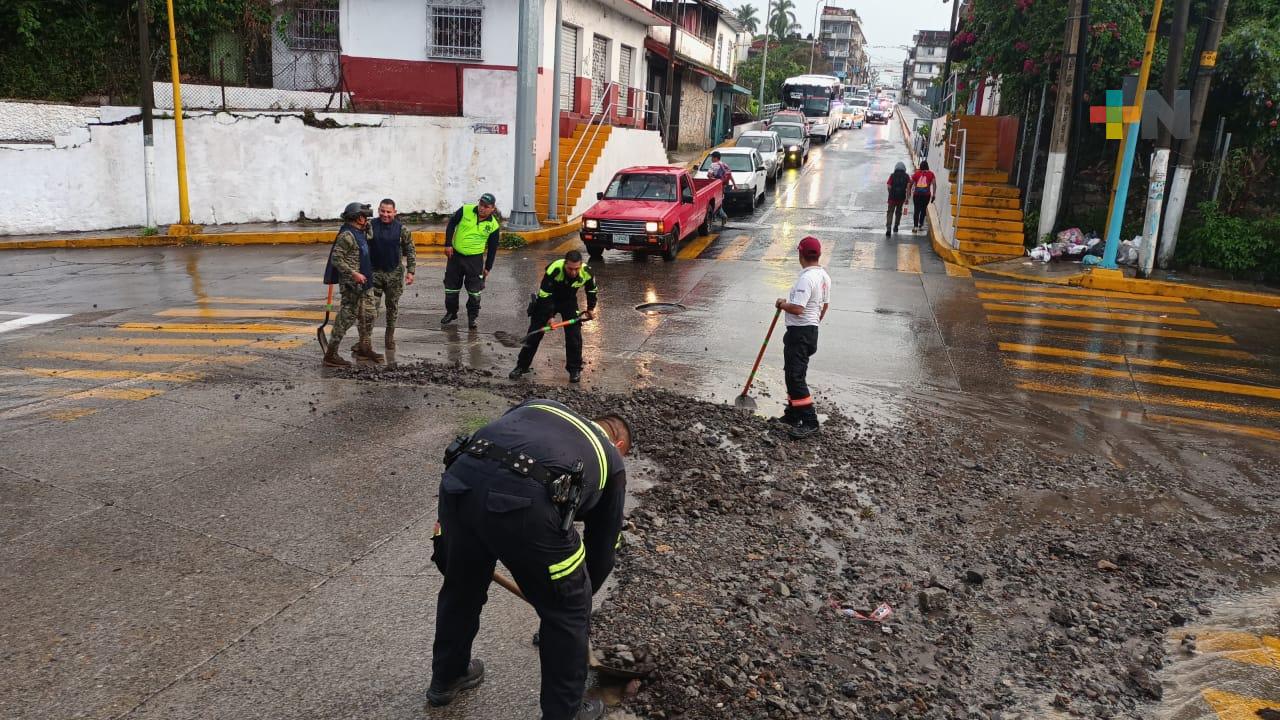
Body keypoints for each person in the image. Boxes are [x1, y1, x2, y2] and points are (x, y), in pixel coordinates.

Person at [428, 399, 633, 720]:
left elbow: (493, 461)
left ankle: (447, 677)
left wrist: (448, 555)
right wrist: (568, 607)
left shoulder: (539, 406)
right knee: (570, 609)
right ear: (619, 444)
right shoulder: (611, 459)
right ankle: (564, 713)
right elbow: (603, 549)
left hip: (459, 482)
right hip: (525, 505)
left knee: (461, 588)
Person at [509, 250, 598, 384]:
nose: (573, 272)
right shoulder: (554, 269)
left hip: (569, 300)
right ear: (564, 265)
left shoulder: (587, 272)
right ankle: (521, 366)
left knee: (574, 337)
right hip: (549, 299)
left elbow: (591, 290)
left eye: (576, 269)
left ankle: (574, 370)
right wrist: (549, 316)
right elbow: (545, 294)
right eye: (570, 269)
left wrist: (591, 308)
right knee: (534, 335)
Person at [774, 236, 831, 439]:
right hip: (810, 331)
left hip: (799, 333)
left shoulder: (806, 278)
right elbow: (824, 305)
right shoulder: (824, 276)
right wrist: (814, 323)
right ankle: (792, 414)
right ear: (819, 254)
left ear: (800, 254)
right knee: (794, 374)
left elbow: (798, 308)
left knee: (795, 377)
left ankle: (809, 421)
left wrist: (782, 304)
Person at [322, 202, 379, 367]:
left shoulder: (360, 231)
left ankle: (364, 348)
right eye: (364, 217)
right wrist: (353, 274)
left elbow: (369, 237)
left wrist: (368, 227)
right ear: (358, 218)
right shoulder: (346, 235)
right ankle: (331, 355)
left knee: (369, 315)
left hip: (366, 282)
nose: (366, 219)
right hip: (352, 285)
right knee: (346, 319)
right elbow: (336, 259)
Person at [442, 193, 501, 330]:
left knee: (475, 293)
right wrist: (448, 244)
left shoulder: (493, 226)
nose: (482, 208)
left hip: (475, 260)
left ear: (492, 208)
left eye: (486, 206)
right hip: (455, 257)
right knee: (451, 288)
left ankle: (472, 318)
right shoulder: (466, 210)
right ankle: (451, 312)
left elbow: (492, 249)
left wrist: (488, 267)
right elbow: (451, 224)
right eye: (481, 204)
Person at [368, 198, 416, 363]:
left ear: (395, 212)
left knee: (392, 307)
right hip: (374, 274)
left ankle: (389, 337)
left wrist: (411, 271)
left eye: (389, 212)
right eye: (382, 211)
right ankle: (365, 341)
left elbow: (410, 249)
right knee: (370, 309)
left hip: (394, 274)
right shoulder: (370, 225)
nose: (385, 215)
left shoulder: (402, 229)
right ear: (378, 210)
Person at [705, 151, 734, 228]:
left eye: (712, 157)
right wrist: (735, 185)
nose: (711, 159)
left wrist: (711, 177)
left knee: (714, 203)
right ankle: (715, 217)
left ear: (715, 158)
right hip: (722, 186)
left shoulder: (713, 165)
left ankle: (722, 216)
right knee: (718, 202)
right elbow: (730, 175)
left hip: (715, 186)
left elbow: (709, 175)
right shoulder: (724, 164)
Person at [910, 160, 936, 232]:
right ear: (927, 166)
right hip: (926, 195)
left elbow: (910, 183)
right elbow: (934, 184)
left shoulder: (917, 174)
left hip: (917, 195)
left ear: (921, 166)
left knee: (916, 210)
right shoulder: (931, 174)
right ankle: (920, 225)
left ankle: (915, 227)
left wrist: (909, 192)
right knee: (923, 210)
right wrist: (934, 194)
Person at [886, 161, 911, 236]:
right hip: (901, 198)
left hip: (892, 198)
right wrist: (907, 198)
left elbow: (889, 186)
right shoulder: (906, 176)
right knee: (898, 212)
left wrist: (890, 193)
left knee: (890, 212)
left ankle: (888, 228)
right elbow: (908, 187)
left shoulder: (892, 175)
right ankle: (896, 226)